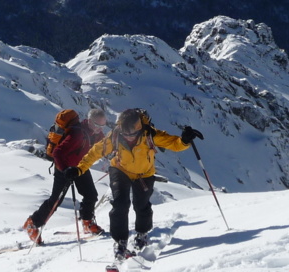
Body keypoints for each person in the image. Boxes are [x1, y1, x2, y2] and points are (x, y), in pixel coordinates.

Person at [66, 108, 202, 262]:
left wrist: (184, 140)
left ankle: (142, 233)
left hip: (144, 174)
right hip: (120, 170)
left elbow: (174, 144)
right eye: (125, 133)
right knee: (119, 204)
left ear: (139, 129)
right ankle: (120, 241)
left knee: (141, 205)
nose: (128, 137)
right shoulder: (116, 135)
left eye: (131, 134)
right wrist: (79, 169)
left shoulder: (149, 134)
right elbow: (95, 152)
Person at [22, 109, 108, 244]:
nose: (99, 129)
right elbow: (57, 153)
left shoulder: (96, 134)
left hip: (80, 167)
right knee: (55, 201)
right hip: (64, 169)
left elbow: (106, 146)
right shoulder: (77, 133)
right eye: (97, 125)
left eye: (102, 126)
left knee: (91, 194)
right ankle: (32, 224)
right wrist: (65, 170)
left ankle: (87, 222)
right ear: (90, 121)